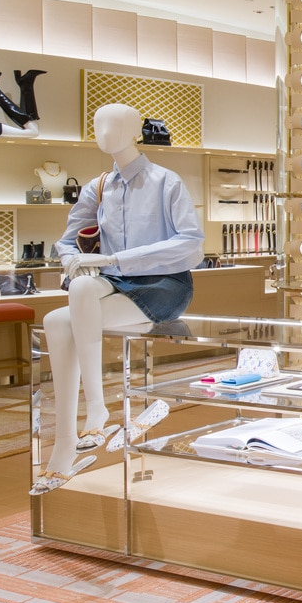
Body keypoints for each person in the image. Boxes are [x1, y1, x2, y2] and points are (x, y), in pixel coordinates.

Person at [30, 103, 203, 494]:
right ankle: (84, 421)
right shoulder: (99, 186)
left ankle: (77, 433)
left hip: (163, 284)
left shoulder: (166, 182)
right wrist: (72, 260)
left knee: (61, 320)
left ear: (136, 130)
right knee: (69, 302)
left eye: (116, 124)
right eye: (98, 124)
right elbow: (67, 239)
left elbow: (191, 244)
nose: (105, 131)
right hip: (111, 283)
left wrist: (113, 258)